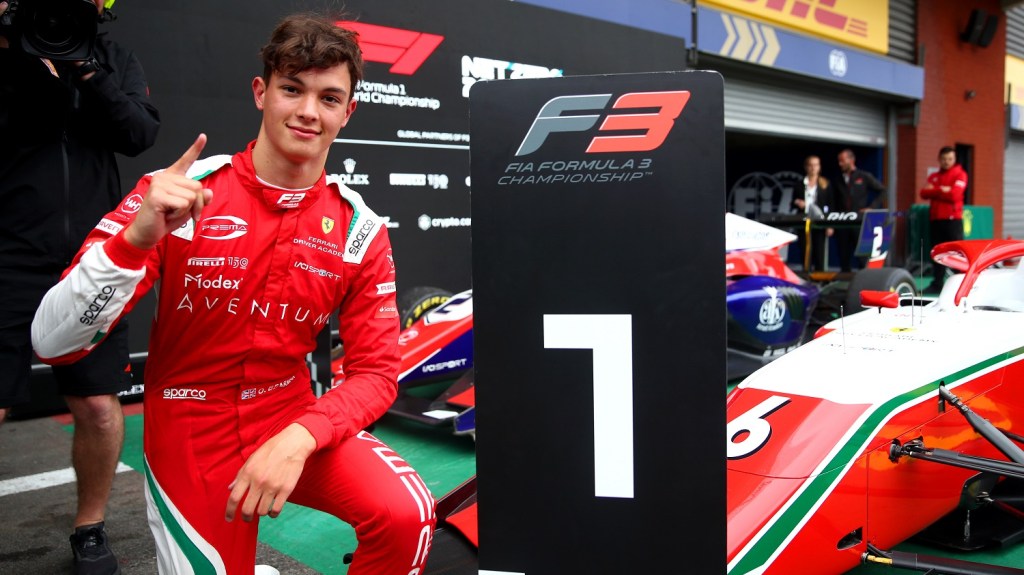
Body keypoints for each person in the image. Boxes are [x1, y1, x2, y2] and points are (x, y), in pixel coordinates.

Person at [32, 14, 435, 574]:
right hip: (189, 428)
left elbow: (376, 372)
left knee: (406, 512)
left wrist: (300, 436)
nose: (307, 112)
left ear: (349, 111)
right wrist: (134, 240)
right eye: (292, 88)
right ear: (261, 92)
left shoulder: (358, 228)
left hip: (288, 415)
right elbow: (54, 343)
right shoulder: (181, 195)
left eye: (328, 97)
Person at [0, 0, 160, 573]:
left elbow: (140, 131)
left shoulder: (110, 57)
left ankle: (89, 528)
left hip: (91, 260)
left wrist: (87, 72)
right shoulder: (7, 49)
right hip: (10, 253)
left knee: (96, 403)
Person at [920, 146, 968, 293]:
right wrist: (942, 189)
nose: (947, 162)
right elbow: (923, 193)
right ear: (939, 160)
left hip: (953, 221)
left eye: (950, 159)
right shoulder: (934, 176)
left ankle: (962, 284)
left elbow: (954, 195)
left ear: (954, 160)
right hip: (936, 220)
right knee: (937, 252)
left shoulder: (960, 174)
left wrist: (935, 191)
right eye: (944, 159)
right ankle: (937, 283)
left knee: (958, 252)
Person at [832, 149, 887, 272]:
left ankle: (864, 282)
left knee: (862, 255)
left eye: (842, 161)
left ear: (851, 160)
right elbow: (833, 200)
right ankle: (844, 282)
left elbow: (883, 191)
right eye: (839, 161)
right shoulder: (837, 179)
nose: (840, 164)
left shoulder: (863, 176)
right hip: (842, 223)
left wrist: (871, 207)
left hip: (860, 223)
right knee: (843, 255)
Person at [791, 155, 834, 271]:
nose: (813, 168)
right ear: (806, 167)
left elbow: (831, 204)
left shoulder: (825, 183)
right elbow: (792, 202)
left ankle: (820, 280)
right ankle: (806, 278)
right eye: (810, 165)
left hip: (820, 222)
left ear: (819, 167)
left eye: (816, 165)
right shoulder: (799, 184)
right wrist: (797, 202)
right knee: (805, 251)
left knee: (820, 252)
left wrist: (829, 224)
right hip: (804, 222)